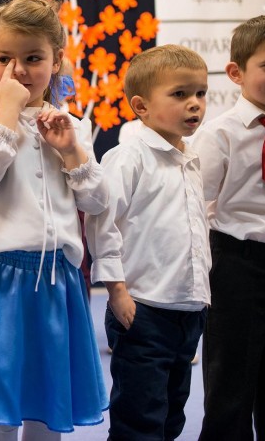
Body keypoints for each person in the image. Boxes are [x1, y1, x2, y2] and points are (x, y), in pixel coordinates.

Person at [0, 0, 108, 441]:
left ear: (56, 61)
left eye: (33, 58)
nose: (18, 70)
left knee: (48, 404)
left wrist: (71, 150)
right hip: (1, 279)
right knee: (0, 409)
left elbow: (98, 200)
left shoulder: (72, 125)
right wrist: (6, 112)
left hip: (59, 280)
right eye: (4, 59)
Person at [85, 44, 210, 441]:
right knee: (139, 417)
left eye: (200, 93)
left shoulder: (191, 158)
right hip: (143, 308)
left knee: (172, 414)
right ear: (141, 106)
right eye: (180, 94)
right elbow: (103, 225)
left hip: (187, 309)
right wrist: (117, 291)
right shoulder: (128, 157)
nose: (194, 103)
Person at [192, 14, 265, 441]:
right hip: (236, 264)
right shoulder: (219, 134)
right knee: (231, 377)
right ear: (236, 72)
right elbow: (196, 204)